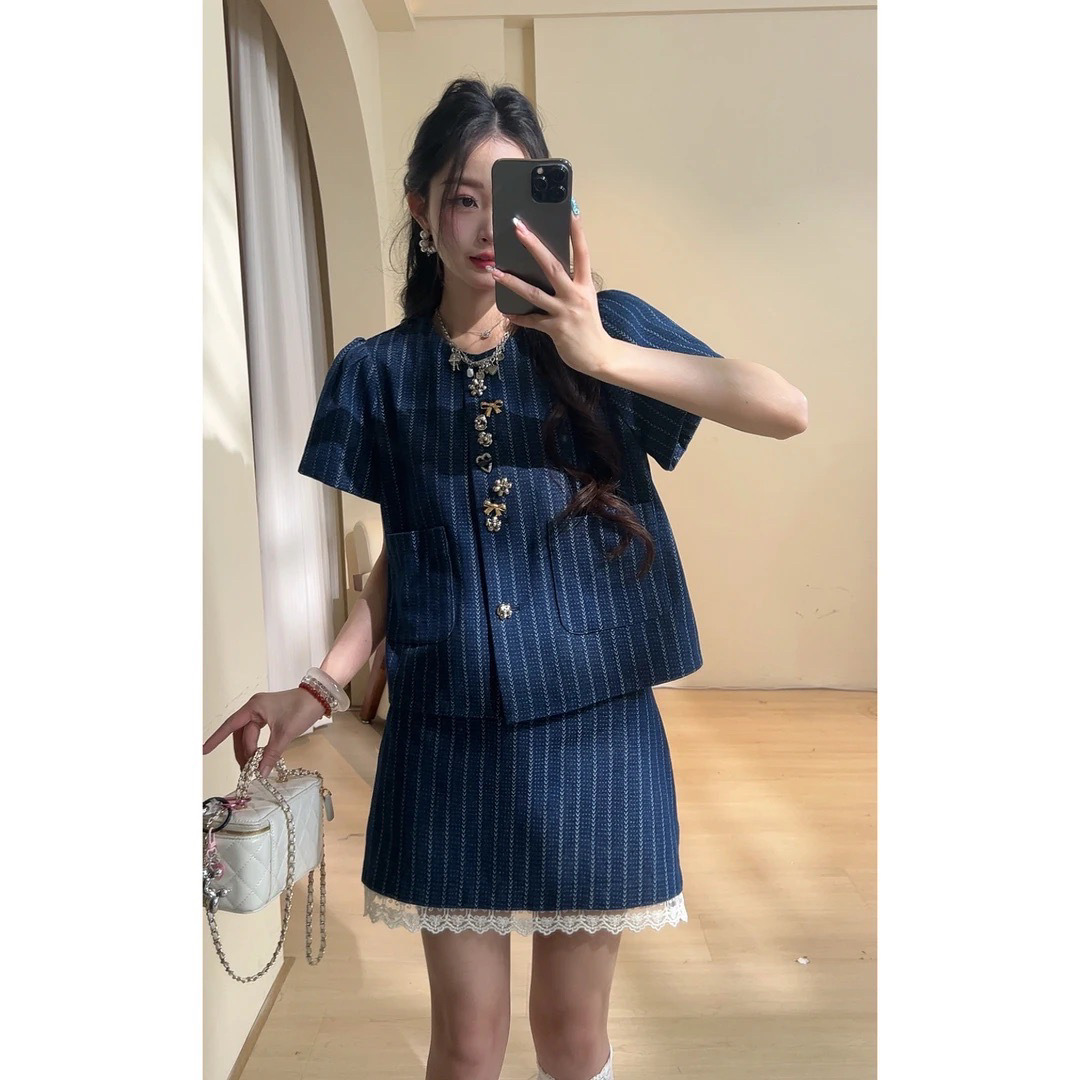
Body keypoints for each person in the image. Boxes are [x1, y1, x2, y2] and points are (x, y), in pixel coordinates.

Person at [203, 77, 807, 1080]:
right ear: (421, 209)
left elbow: (783, 407)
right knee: (467, 1045)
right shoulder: (377, 371)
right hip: (445, 739)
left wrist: (604, 354)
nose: (487, 226)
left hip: (596, 731)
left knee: (572, 1039)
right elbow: (409, 553)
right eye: (462, 197)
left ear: (550, 203)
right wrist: (318, 686)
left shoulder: (603, 329)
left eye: (510, 195)